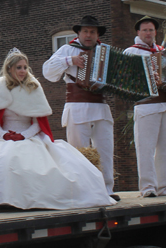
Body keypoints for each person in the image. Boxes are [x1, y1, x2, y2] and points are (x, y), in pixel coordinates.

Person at [0, 48, 116, 210]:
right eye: (19, 67)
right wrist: (5, 135)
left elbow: (37, 123)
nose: (23, 71)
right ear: (10, 68)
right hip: (3, 136)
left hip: (29, 135)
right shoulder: (0, 87)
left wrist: (23, 135)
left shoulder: (33, 87)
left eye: (25, 67)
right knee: (0, 161)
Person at [42, 16, 118, 201]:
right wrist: (70, 60)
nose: (88, 35)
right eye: (85, 31)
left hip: (101, 106)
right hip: (77, 106)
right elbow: (48, 72)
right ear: (79, 33)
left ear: (97, 34)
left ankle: (107, 190)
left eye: (92, 31)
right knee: (79, 152)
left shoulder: (105, 51)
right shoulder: (68, 49)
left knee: (105, 151)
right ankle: (83, 191)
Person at [123, 16, 166, 197]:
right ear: (138, 33)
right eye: (145, 30)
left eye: (151, 30)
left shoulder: (165, 52)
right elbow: (125, 79)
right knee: (145, 148)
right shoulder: (131, 52)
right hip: (146, 105)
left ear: (156, 32)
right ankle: (147, 188)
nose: (148, 33)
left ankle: (165, 186)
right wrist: (148, 75)